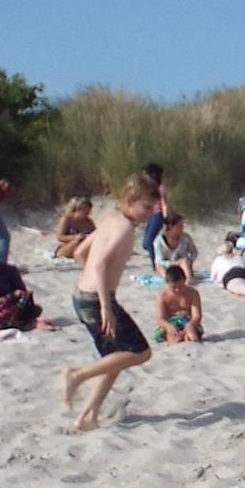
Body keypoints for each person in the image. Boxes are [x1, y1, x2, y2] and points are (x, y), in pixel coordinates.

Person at [62, 173, 156, 431]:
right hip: (96, 300)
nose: (150, 213)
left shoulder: (110, 219)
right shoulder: (124, 228)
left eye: (152, 208)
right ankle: (77, 376)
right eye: (146, 207)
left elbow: (80, 252)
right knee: (140, 352)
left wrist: (91, 280)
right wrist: (105, 305)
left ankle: (87, 416)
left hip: (82, 295)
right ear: (130, 201)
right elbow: (101, 264)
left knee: (116, 357)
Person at [154, 265, 204, 344]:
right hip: (170, 322)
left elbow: (197, 315)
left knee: (191, 334)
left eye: (180, 286)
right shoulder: (162, 295)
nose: (177, 290)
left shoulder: (193, 293)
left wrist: (190, 325)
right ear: (167, 283)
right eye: (173, 287)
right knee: (172, 337)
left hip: (188, 320)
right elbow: (160, 319)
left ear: (185, 280)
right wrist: (169, 327)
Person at [140, 163, 168, 269]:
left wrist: (166, 219)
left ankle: (156, 265)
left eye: (146, 173)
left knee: (149, 241)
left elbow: (164, 203)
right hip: (151, 215)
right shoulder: (149, 186)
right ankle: (161, 257)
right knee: (145, 244)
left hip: (158, 215)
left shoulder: (160, 187)